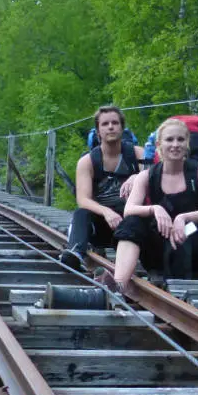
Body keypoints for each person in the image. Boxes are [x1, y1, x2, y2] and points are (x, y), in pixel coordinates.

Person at [105, 118, 198, 293]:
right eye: (169, 140)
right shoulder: (146, 176)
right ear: (159, 144)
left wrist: (183, 218)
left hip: (196, 243)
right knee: (131, 223)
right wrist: (155, 209)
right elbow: (129, 210)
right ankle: (119, 284)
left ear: (187, 143)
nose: (175, 144)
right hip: (160, 247)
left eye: (180, 140)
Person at [59, 105, 144, 272]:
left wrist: (138, 177)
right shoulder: (87, 161)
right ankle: (76, 252)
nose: (111, 127)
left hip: (131, 222)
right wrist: (106, 211)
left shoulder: (138, 154)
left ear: (122, 127)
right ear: (98, 130)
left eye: (115, 123)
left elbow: (155, 183)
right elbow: (83, 200)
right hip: (102, 224)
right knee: (81, 213)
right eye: (105, 124)